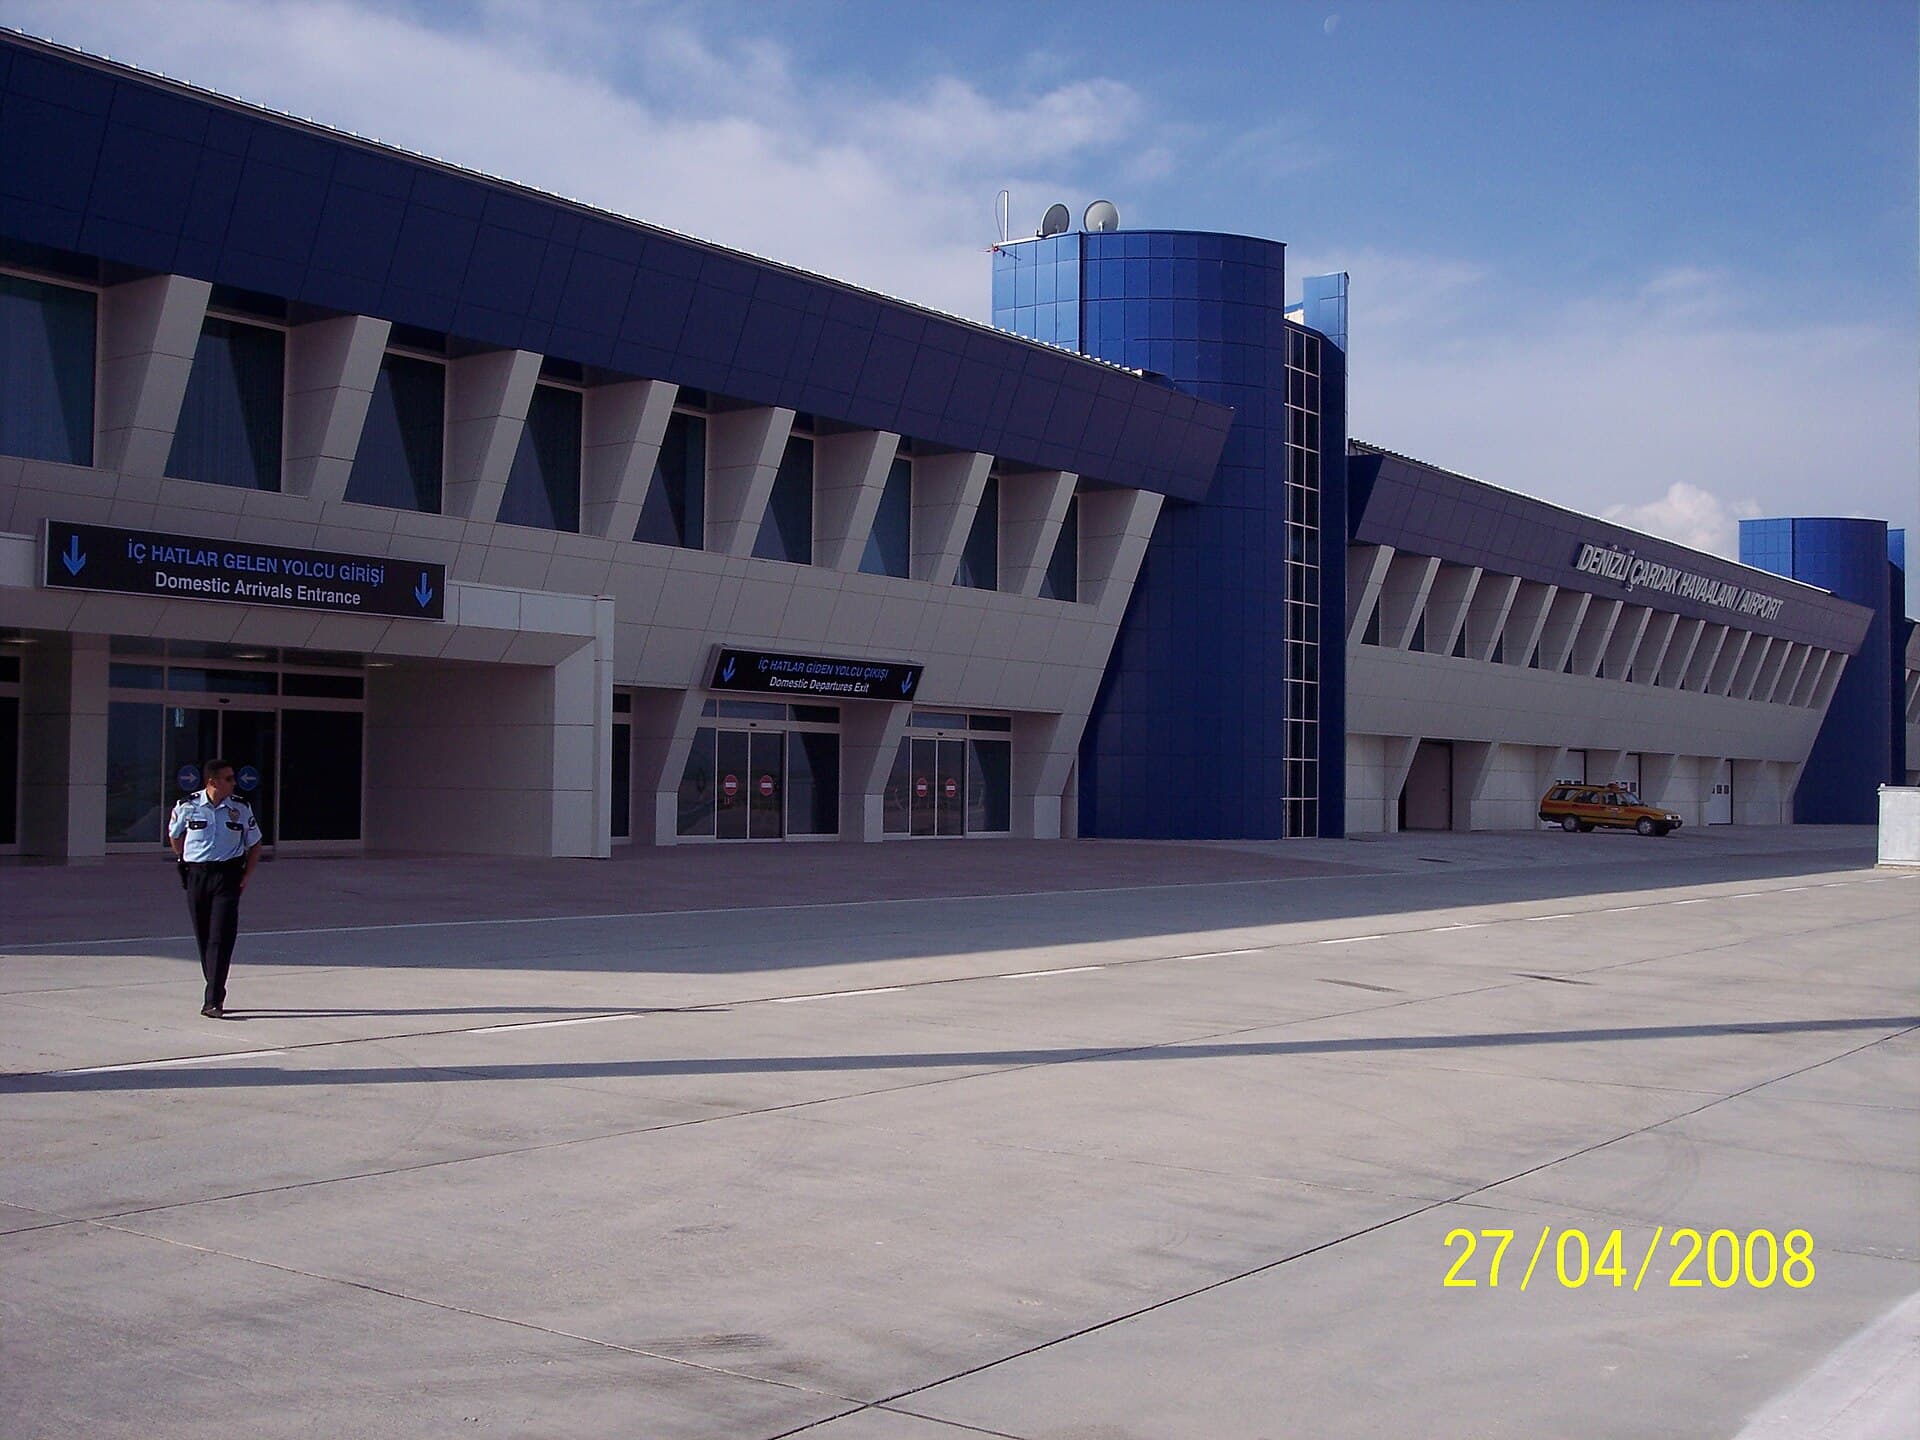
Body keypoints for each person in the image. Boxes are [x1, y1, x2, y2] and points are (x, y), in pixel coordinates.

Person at [168, 758, 262, 1018]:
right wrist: (183, 861)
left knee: (221, 936)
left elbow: (255, 844)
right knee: (204, 936)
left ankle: (213, 1000)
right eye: (228, 778)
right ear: (212, 782)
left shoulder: (240, 808)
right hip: (197, 875)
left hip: (228, 875)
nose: (234, 782)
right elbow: (175, 836)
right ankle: (214, 982)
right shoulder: (187, 806)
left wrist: (246, 876)